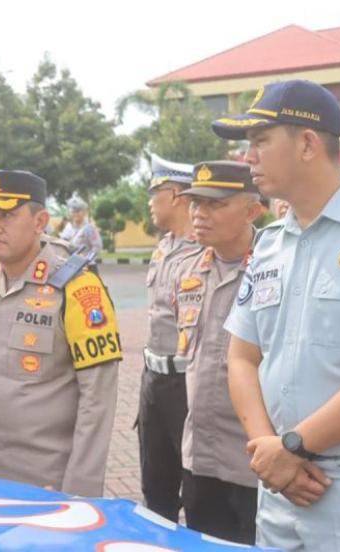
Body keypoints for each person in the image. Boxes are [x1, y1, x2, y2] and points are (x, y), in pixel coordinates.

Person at [215, 79, 340, 550]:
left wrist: (293, 447)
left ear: (307, 143)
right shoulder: (268, 245)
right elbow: (242, 357)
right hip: (282, 489)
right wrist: (269, 450)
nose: (249, 158)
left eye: (260, 142)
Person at [0, 170, 121, 496]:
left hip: (47, 486)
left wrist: (80, 496)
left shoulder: (77, 288)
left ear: (40, 220)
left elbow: (97, 403)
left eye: (7, 215)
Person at [172, 161, 261, 544]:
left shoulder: (276, 268)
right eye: (195, 203)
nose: (199, 214)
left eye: (215, 204)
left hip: (256, 462)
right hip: (200, 457)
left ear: (252, 210)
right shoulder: (187, 271)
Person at [138, 153, 201, 521]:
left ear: (176, 195)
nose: (149, 201)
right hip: (153, 380)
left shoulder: (203, 248)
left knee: (194, 486)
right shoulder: (163, 246)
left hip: (185, 383)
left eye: (155, 192)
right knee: (155, 485)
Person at [60, 194, 103, 260]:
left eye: (78, 211)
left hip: (87, 266)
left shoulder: (89, 228)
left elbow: (97, 247)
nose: (75, 214)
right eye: (73, 211)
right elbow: (63, 244)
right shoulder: (68, 227)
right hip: (71, 264)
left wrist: (87, 260)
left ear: (84, 212)